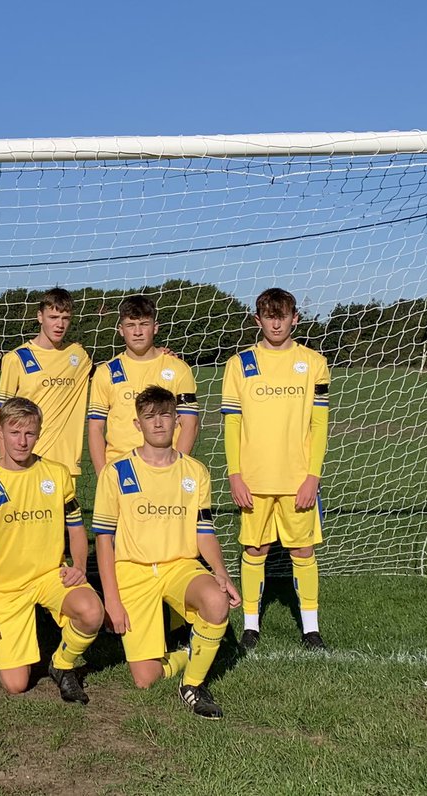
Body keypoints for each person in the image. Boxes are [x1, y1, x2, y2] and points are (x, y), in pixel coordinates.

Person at [94, 386, 242, 719]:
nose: (158, 423)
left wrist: (220, 572)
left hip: (180, 566)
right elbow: (104, 539)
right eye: (150, 417)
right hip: (133, 571)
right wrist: (112, 600)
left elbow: (204, 531)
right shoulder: (116, 472)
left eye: (165, 415)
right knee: (145, 679)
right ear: (137, 424)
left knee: (217, 600)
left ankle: (192, 685)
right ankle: (193, 650)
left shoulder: (195, 472)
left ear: (177, 420)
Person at [0, 397, 104, 701]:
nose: (22, 441)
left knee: (92, 612)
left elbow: (76, 528)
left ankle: (61, 663)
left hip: (49, 575)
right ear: (0, 432)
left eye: (30, 433)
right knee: (16, 685)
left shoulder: (56, 474)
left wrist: (79, 565)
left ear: (39, 433)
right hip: (6, 588)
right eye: (14, 432)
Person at [222, 288, 330, 651]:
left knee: (303, 552)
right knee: (256, 549)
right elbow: (232, 424)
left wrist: (312, 477)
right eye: (269, 316)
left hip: (298, 478)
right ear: (258, 320)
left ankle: (311, 629)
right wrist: (235, 474)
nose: (276, 322)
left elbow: (319, 425)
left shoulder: (313, 362)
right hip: (253, 479)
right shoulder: (240, 364)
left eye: (282, 316)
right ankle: (251, 625)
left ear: (294, 319)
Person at [87, 294, 199, 475]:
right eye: (130, 325)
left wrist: (175, 468)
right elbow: (95, 428)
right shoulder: (106, 372)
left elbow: (189, 423)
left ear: (155, 328)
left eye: (144, 324)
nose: (137, 332)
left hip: (166, 468)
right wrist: (103, 476)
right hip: (120, 469)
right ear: (121, 330)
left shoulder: (178, 368)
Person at [0, 288, 91, 479]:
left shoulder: (79, 356)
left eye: (65, 318)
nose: (59, 324)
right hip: (27, 460)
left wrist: (160, 352)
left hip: (66, 463)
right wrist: (6, 460)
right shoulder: (16, 358)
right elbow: (1, 415)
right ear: (40, 316)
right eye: (53, 317)